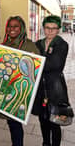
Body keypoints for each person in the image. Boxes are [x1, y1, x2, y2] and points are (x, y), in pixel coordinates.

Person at [2, 16, 39, 146]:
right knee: (11, 123)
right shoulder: (5, 44)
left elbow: (36, 68)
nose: (12, 29)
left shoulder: (29, 45)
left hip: (20, 90)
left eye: (15, 26)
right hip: (7, 90)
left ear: (21, 28)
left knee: (15, 123)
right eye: (10, 26)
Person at [32, 15, 69, 146]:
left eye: (53, 28)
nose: (50, 31)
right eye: (47, 28)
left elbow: (56, 65)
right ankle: (45, 142)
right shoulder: (38, 44)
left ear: (58, 29)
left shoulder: (62, 45)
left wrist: (36, 62)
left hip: (55, 89)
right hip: (41, 88)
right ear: (44, 28)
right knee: (43, 119)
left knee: (55, 120)